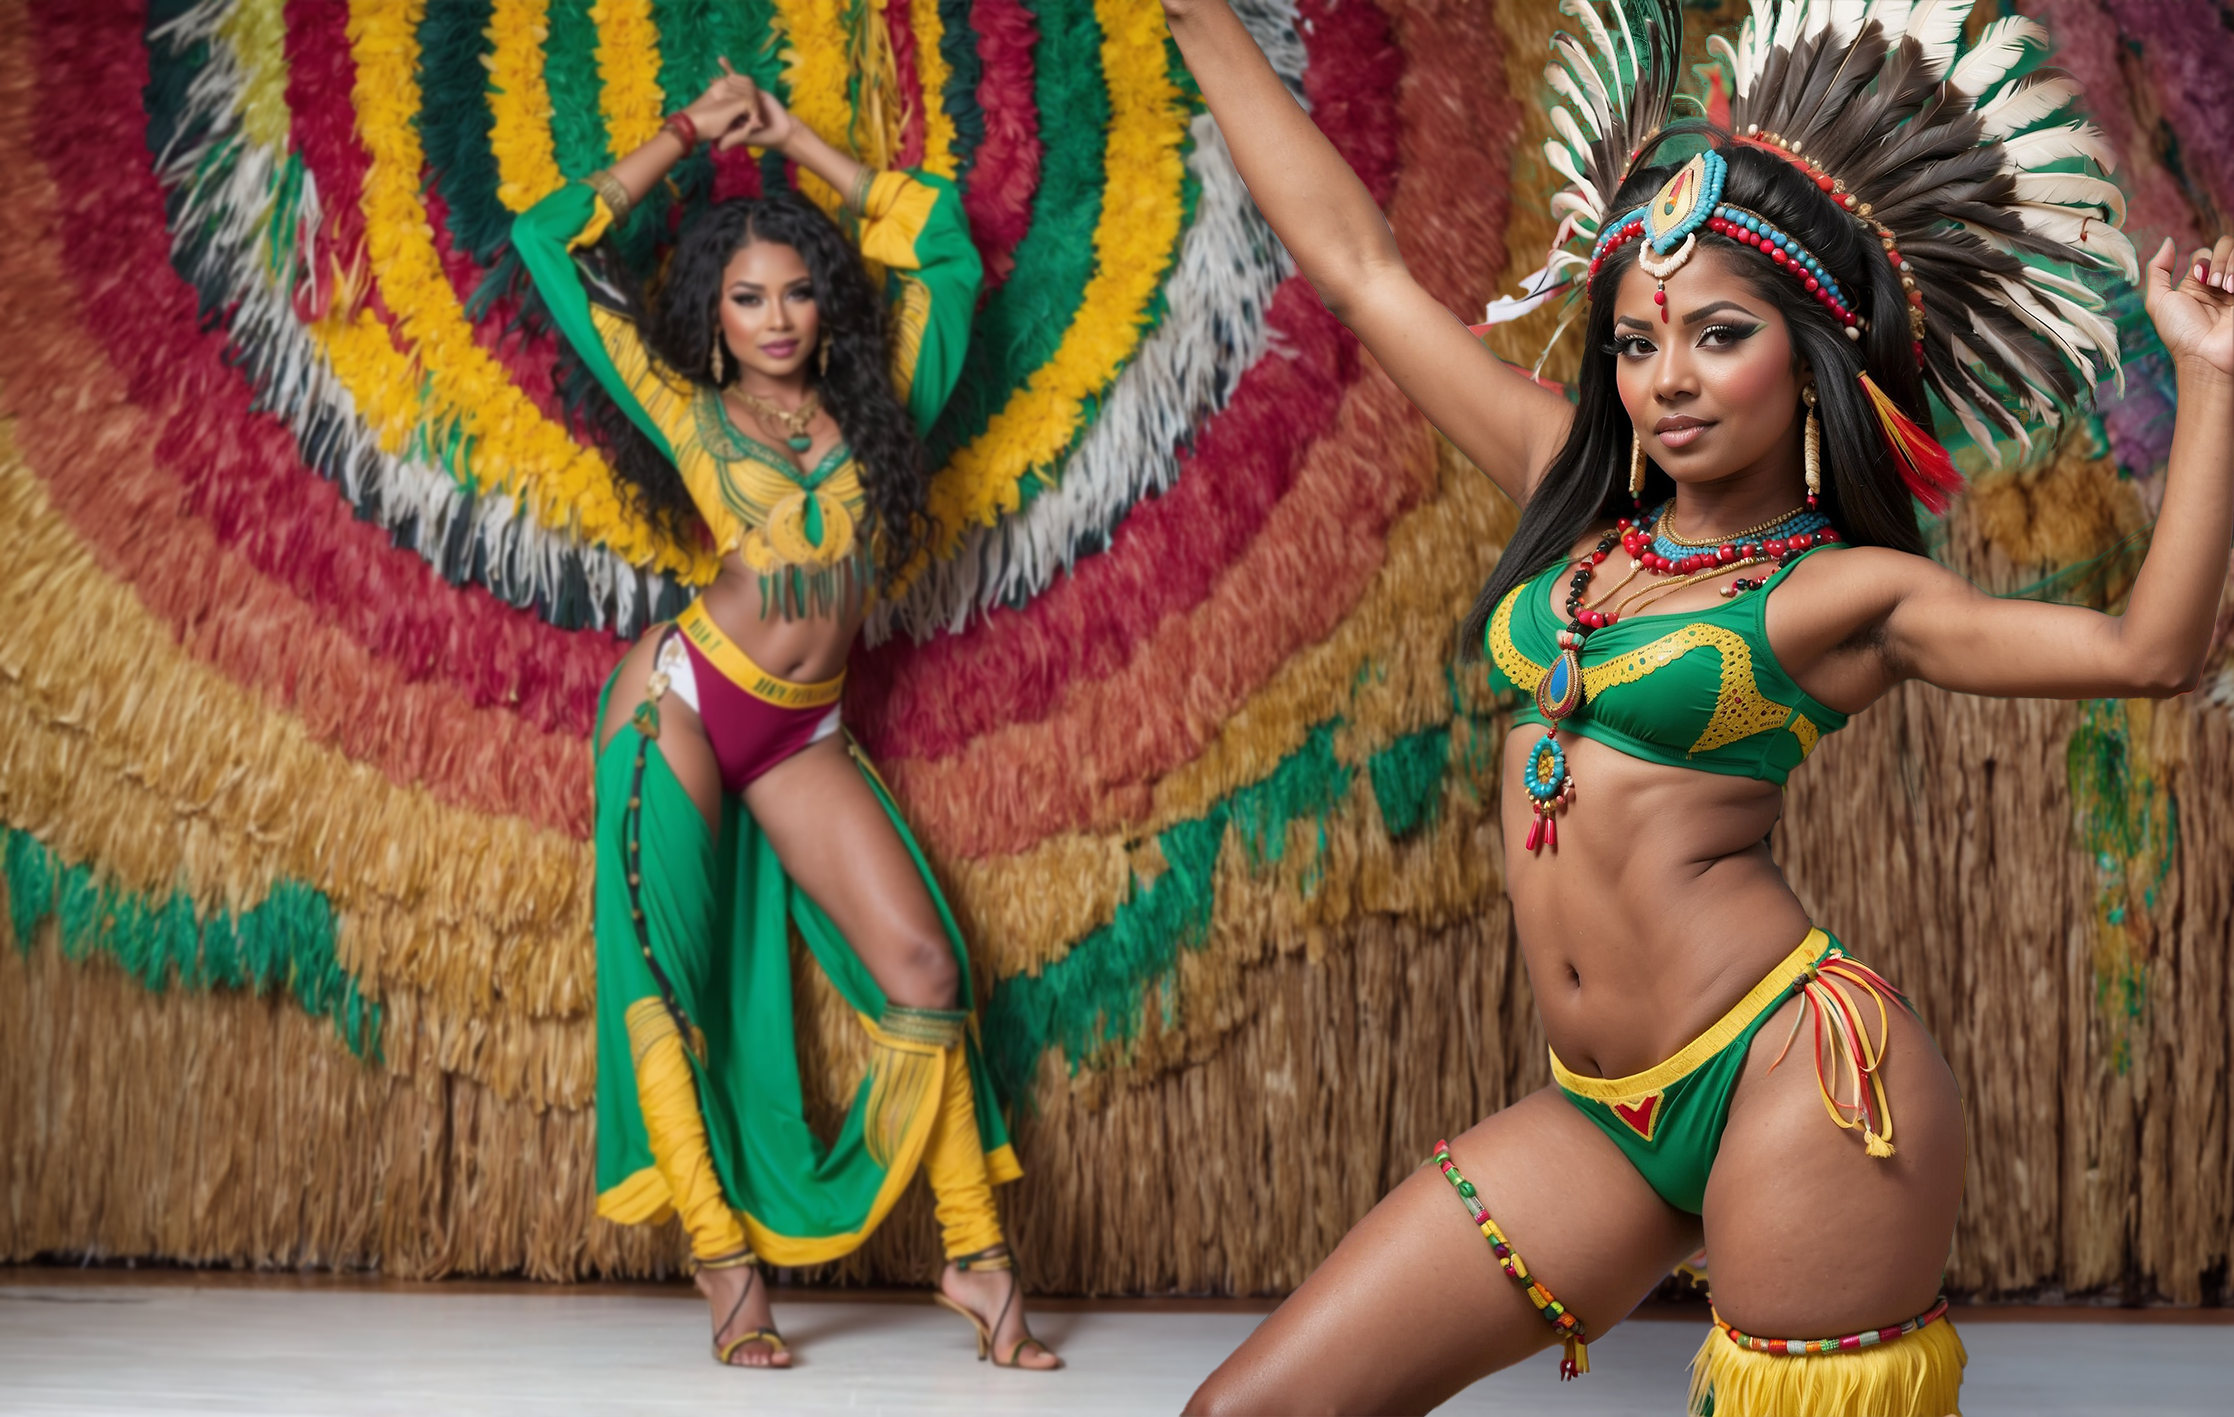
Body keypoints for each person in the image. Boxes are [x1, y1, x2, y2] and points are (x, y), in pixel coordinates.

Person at [1159, 1, 2232, 1412]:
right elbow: (1362, 273)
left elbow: (2150, 652)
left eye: (1716, 336)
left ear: (1806, 359)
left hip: (1796, 1084)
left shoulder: (1838, 598)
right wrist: (1199, 26)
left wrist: (2211, 376)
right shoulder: (1576, 498)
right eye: (1632, 342)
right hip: (1601, 1110)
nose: (1663, 379)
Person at [512, 64, 1060, 1372]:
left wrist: (799, 142)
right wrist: (688, 136)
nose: (773, 317)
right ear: (709, 310)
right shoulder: (683, 402)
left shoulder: (887, 410)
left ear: (827, 303)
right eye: (745, 296)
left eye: (797, 290)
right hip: (682, 704)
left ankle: (976, 1267)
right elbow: (548, 237)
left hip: (803, 728)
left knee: (926, 974)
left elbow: (941, 251)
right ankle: (727, 1274)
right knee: (667, 988)